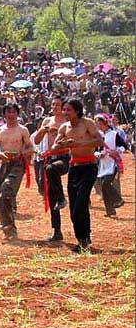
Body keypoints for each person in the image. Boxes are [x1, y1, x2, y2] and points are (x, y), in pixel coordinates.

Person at [52, 99, 104, 253]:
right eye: (64, 110)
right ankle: (83, 239)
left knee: (80, 204)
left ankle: (83, 238)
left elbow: (99, 141)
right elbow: (54, 146)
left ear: (77, 111)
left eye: (68, 110)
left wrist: (79, 144)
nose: (65, 112)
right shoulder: (64, 127)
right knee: (75, 205)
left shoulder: (87, 123)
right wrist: (63, 145)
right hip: (74, 168)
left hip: (89, 167)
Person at [0, 103, 33, 240]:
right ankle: (6, 223)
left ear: (17, 114)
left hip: (18, 164)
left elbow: (30, 147)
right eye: (8, 112)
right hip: (4, 163)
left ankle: (9, 225)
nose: (11, 115)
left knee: (6, 188)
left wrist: (21, 154)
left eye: (13, 112)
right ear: (4, 114)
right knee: (1, 194)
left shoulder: (22, 130)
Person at [33, 96, 69, 241]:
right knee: (51, 194)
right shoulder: (47, 121)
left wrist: (60, 139)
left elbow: (72, 141)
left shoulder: (67, 122)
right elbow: (36, 140)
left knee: (52, 170)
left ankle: (62, 197)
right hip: (49, 158)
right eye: (53, 104)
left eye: (58, 105)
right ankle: (57, 230)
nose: (55, 107)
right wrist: (43, 130)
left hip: (64, 157)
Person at [94, 114, 127, 217]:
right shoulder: (98, 135)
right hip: (103, 164)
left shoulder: (114, 134)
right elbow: (95, 151)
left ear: (105, 122)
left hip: (113, 163)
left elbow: (124, 146)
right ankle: (110, 211)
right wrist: (99, 155)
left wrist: (116, 151)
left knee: (106, 184)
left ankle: (118, 199)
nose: (97, 125)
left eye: (99, 122)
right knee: (104, 188)